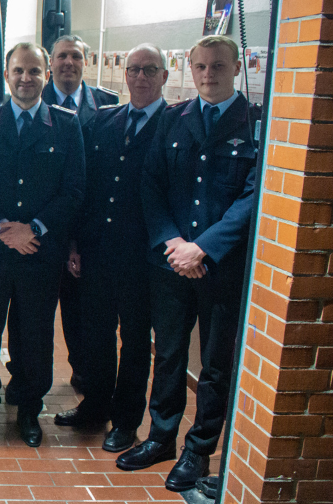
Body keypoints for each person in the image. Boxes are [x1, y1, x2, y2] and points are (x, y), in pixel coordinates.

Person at [117, 35, 259, 492]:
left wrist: (204, 247)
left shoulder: (255, 123)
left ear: (237, 68)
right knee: (170, 353)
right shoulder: (175, 119)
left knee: (215, 363)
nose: (207, 74)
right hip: (171, 263)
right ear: (188, 70)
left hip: (222, 266)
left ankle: (198, 449)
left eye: (218, 65)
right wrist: (174, 242)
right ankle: (161, 437)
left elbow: (251, 197)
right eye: (199, 66)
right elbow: (151, 185)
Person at [0, 42, 85, 447]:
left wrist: (34, 228)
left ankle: (30, 409)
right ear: (6, 76)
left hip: (39, 253)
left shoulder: (66, 124)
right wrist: (2, 228)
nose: (26, 79)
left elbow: (74, 190)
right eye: (18, 71)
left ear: (46, 75)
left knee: (34, 335)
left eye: (34, 71)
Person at [54, 44, 168, 453]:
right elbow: (86, 188)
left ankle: (125, 421)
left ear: (164, 77)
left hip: (143, 258)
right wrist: (73, 244)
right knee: (95, 337)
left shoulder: (173, 126)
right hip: (97, 251)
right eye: (133, 69)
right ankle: (95, 406)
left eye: (149, 70)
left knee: (136, 343)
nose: (139, 77)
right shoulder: (103, 121)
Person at [37, 34, 119, 396]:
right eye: (61, 56)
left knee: (84, 311)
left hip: (91, 231)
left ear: (87, 61)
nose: (68, 62)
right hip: (44, 228)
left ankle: (86, 379)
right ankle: (26, 374)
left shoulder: (109, 105)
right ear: (50, 63)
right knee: (34, 309)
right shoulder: (31, 98)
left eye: (75, 56)